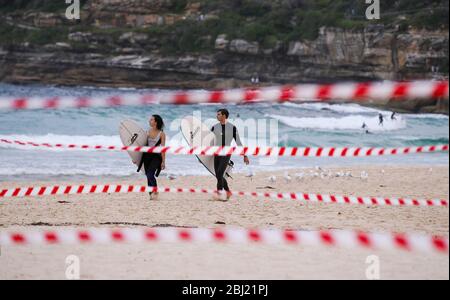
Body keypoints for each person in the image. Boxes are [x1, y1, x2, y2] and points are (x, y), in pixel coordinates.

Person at [211, 109, 249, 200]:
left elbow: (238, 142)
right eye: (217, 114)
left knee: (220, 173)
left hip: (226, 153)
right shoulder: (214, 127)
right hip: (216, 153)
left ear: (224, 116)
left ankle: (219, 194)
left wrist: (244, 155)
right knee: (218, 175)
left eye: (219, 114)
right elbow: (209, 141)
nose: (217, 116)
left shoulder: (232, 128)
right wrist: (202, 156)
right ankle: (228, 192)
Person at [138, 115, 166, 200]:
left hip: (156, 157)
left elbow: (163, 149)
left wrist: (163, 161)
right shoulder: (147, 132)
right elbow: (140, 145)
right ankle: (151, 195)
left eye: (151, 120)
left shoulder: (162, 134)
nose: (149, 121)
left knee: (150, 174)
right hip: (147, 156)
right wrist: (135, 158)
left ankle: (155, 191)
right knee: (148, 175)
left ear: (156, 122)